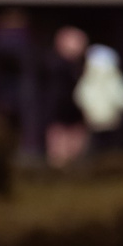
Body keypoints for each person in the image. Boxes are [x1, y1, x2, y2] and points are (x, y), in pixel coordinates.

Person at [74, 42, 123, 150]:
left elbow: (79, 97)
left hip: (94, 122)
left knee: (97, 148)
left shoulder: (87, 80)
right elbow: (121, 96)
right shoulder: (113, 79)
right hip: (111, 122)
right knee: (111, 148)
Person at [42, 25, 90, 168]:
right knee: (60, 155)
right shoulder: (55, 64)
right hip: (59, 114)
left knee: (76, 152)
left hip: (76, 114)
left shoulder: (81, 66)